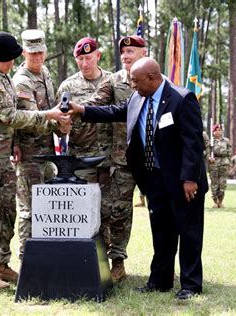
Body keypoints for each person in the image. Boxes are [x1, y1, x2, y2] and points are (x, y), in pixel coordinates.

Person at [69, 57, 208, 300]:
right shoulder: (138, 97)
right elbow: (115, 112)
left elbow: (193, 143)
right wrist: (82, 110)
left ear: (152, 78)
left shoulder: (182, 98)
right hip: (154, 179)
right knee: (161, 232)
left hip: (183, 181)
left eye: (136, 80)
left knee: (189, 232)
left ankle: (191, 284)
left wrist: (189, 179)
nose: (132, 85)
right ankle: (160, 281)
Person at [0, 31, 69, 289]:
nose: (13, 62)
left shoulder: (3, 76)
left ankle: (0, 263)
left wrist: (16, 143)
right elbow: (11, 116)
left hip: (1, 155)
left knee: (6, 211)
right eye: (9, 58)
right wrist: (50, 116)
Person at [80, 35, 148, 282]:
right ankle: (117, 261)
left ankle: (164, 264)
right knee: (117, 210)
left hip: (153, 160)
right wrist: (73, 111)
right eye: (123, 52)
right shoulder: (114, 81)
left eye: (131, 51)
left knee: (162, 213)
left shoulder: (155, 78)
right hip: (123, 159)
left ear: (144, 52)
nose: (126, 56)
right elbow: (95, 102)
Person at [56, 37, 114, 254]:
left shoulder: (113, 81)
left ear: (98, 55)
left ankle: (112, 260)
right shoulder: (68, 86)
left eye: (88, 58)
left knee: (110, 209)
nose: (84, 63)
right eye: (80, 59)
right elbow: (58, 122)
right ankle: (83, 255)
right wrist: (61, 126)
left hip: (110, 156)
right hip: (82, 158)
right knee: (83, 209)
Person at [12, 29, 60, 260]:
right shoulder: (22, 81)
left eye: (40, 52)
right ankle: (26, 261)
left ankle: (46, 255)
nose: (38, 58)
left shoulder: (45, 74)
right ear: (24, 53)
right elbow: (30, 121)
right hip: (30, 155)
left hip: (47, 153)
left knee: (48, 206)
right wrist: (59, 123)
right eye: (32, 54)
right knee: (29, 211)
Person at [208, 124, 231, 208]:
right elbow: (207, 152)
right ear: (213, 132)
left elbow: (230, 153)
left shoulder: (226, 141)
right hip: (214, 164)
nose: (218, 132)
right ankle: (215, 201)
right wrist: (209, 158)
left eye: (219, 130)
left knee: (222, 183)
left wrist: (230, 164)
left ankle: (220, 201)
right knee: (214, 183)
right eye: (216, 130)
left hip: (224, 163)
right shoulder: (211, 142)